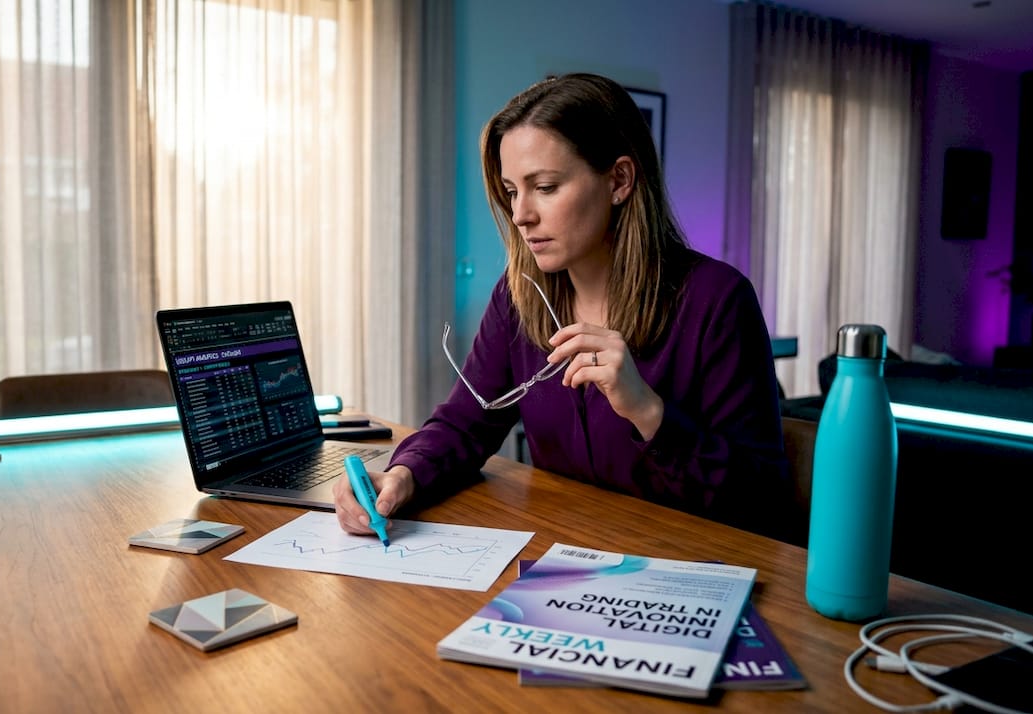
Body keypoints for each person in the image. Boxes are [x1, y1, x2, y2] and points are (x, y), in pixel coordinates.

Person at [334, 73, 789, 539]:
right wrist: (403, 475)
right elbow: (465, 425)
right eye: (512, 191)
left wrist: (648, 412)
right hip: (564, 557)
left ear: (619, 180)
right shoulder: (518, 296)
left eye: (546, 187)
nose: (520, 215)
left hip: (688, 562)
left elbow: (761, 498)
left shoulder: (718, 299)